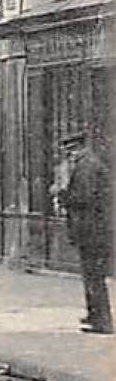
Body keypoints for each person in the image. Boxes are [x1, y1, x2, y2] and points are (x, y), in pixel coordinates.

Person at [60, 137, 112, 334]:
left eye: (70, 151)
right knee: (91, 275)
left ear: (77, 148)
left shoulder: (87, 167)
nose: (69, 156)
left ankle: (101, 321)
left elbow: (84, 197)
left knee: (93, 276)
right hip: (90, 229)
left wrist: (62, 195)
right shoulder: (87, 164)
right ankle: (95, 315)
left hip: (91, 230)